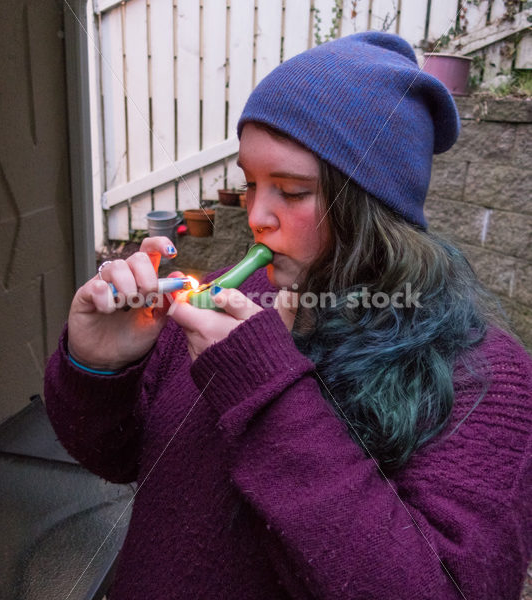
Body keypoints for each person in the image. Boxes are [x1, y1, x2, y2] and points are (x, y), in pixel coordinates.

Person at [44, 32, 531, 599]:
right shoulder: (234, 297)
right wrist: (99, 368)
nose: (256, 217)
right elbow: (121, 458)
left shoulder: (487, 377)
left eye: (292, 190)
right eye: (251, 184)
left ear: (377, 205)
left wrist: (265, 390)